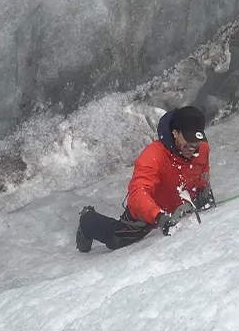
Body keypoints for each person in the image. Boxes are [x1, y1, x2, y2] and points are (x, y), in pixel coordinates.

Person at [76, 105, 216, 252]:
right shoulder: (153, 156)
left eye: (196, 143)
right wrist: (158, 217)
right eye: (188, 142)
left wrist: (203, 188)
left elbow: (203, 169)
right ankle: (87, 219)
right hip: (150, 210)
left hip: (179, 203)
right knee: (116, 239)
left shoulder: (203, 148)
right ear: (175, 133)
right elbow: (137, 194)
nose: (193, 148)